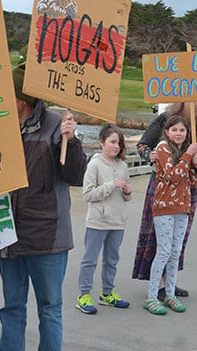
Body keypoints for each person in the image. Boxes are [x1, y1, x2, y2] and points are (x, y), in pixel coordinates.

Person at [0, 64, 87, 351]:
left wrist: (71, 143)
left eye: (3, 93)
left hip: (48, 238)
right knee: (12, 308)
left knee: (49, 308)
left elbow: (76, 176)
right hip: (7, 236)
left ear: (21, 99)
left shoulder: (56, 125)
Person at [132, 102, 197, 301]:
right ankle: (156, 285)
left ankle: (169, 283)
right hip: (163, 188)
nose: (196, 104)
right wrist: (148, 156)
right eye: (191, 100)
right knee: (157, 238)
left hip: (188, 190)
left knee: (178, 241)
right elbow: (143, 144)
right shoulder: (164, 120)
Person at [143, 115, 197, 315]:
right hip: (164, 207)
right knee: (164, 252)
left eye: (182, 130)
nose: (178, 133)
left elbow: (191, 182)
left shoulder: (185, 151)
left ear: (187, 134)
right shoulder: (162, 149)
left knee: (175, 253)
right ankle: (151, 295)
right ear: (167, 132)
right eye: (174, 129)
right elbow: (174, 176)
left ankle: (170, 293)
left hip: (182, 207)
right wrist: (188, 158)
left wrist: (196, 165)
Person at [76, 123, 132, 315]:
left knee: (112, 259)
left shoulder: (123, 165)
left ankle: (107, 294)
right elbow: (87, 194)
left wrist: (127, 191)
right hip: (97, 221)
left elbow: (127, 196)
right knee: (90, 259)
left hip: (118, 221)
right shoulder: (94, 164)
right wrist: (110, 185)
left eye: (119, 143)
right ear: (102, 142)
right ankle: (83, 295)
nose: (116, 146)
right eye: (112, 142)